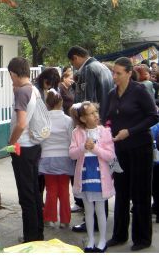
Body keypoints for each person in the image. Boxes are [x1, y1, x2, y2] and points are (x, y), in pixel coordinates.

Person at [105, 57, 159, 251]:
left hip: (140, 149)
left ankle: (142, 239)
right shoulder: (112, 94)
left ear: (129, 73)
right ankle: (119, 235)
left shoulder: (139, 91)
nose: (115, 76)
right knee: (121, 193)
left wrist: (130, 131)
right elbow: (107, 118)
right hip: (119, 151)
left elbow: (153, 116)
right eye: (114, 72)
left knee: (140, 194)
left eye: (118, 73)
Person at [67, 46, 113, 232]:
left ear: (76, 58)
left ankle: (92, 220)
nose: (74, 66)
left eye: (73, 62)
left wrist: (82, 122)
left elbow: (86, 102)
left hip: (92, 129)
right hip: (103, 125)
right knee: (101, 176)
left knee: (90, 176)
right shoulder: (102, 67)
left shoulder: (88, 70)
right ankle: (100, 218)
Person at [69, 102, 115, 253]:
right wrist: (83, 147)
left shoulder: (105, 132)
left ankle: (102, 239)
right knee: (88, 210)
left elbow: (110, 155)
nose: (96, 115)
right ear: (82, 118)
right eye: (91, 113)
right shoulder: (77, 132)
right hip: (84, 175)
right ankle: (91, 240)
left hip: (99, 176)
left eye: (96, 112)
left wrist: (94, 148)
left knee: (100, 209)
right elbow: (72, 154)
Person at [7, 57, 44, 243]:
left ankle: (30, 237)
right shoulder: (34, 89)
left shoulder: (22, 92)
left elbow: (21, 124)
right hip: (34, 145)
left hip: (22, 147)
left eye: (10, 76)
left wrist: (11, 143)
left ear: (13, 73)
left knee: (26, 195)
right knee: (35, 192)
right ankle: (38, 232)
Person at [39, 89, 74, 229]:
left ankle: (49, 218)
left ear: (47, 103)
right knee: (64, 190)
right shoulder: (68, 120)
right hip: (65, 157)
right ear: (61, 102)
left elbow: (40, 138)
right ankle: (65, 220)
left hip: (47, 157)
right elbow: (72, 138)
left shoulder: (43, 119)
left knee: (51, 189)